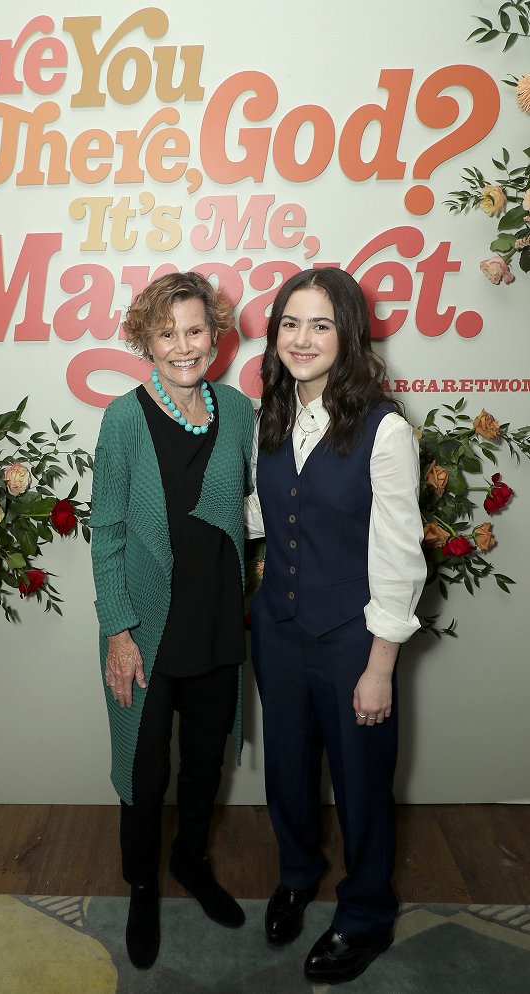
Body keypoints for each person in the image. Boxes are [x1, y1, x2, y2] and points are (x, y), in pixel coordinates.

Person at [246, 267, 426, 985]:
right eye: (290, 322)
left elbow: (396, 553)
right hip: (278, 629)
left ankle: (364, 915)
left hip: (353, 636)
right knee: (286, 773)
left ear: (348, 333)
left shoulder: (383, 429)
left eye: (320, 324)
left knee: (360, 784)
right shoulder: (270, 412)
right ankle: (296, 875)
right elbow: (264, 517)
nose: (302, 337)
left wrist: (380, 663)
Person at [90, 271, 254, 970]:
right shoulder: (124, 418)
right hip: (146, 630)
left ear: (215, 335)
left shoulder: (241, 410)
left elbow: (255, 512)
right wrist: (119, 632)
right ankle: (141, 887)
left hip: (219, 621)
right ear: (145, 340)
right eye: (167, 332)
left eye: (195, 330)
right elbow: (108, 530)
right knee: (143, 767)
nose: (183, 346)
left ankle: (190, 862)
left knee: (205, 762)